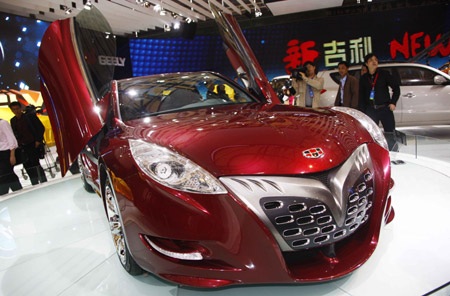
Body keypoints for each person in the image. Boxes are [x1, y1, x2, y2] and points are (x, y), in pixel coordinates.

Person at [358, 53, 400, 132]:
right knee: (372, 133)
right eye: (371, 60)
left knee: (390, 133)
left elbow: (396, 88)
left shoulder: (384, 74)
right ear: (366, 64)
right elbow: (361, 97)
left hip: (385, 108)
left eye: (375, 60)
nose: (374, 62)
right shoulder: (363, 78)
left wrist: (393, 102)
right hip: (371, 110)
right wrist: (362, 112)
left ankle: (392, 145)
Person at [9, 102, 47, 185]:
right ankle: (34, 183)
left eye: (17, 108)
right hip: (22, 146)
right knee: (27, 166)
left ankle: (43, 181)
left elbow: (40, 128)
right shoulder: (13, 120)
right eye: (14, 109)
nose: (16, 111)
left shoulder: (29, 117)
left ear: (21, 108)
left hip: (33, 144)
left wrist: (38, 140)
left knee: (36, 164)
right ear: (11, 110)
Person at [0, 119, 23, 195]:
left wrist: (12, 155)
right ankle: (17, 191)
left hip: (6, 152)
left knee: (6, 174)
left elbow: (11, 139)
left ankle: (5, 193)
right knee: (6, 175)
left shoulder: (3, 123)